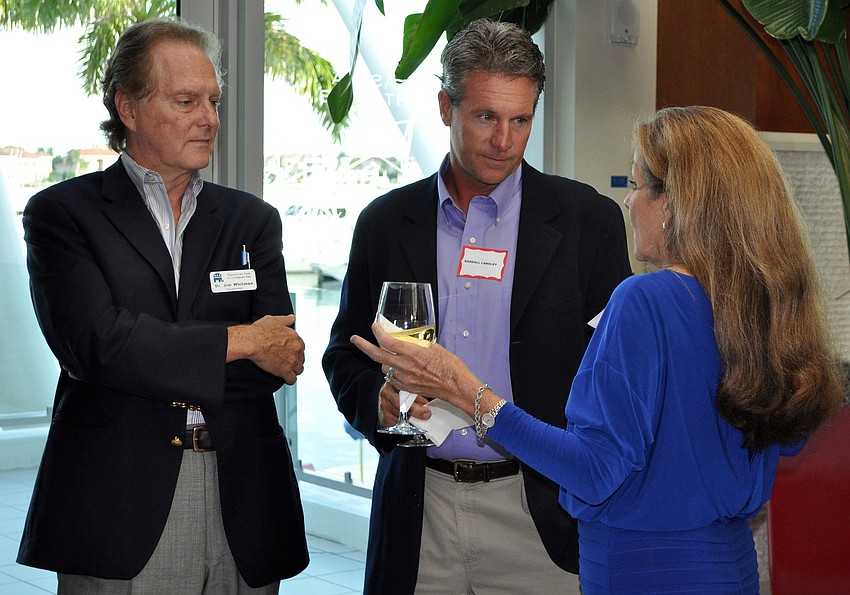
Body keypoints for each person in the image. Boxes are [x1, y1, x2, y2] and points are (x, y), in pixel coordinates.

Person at [351, 105, 847, 594]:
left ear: (674, 203)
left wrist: (462, 388)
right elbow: (785, 437)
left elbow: (594, 471)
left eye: (636, 186)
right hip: (728, 565)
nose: (628, 203)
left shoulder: (644, 300)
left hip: (644, 572)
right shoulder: (758, 301)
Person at [323, 18, 631, 595]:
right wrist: (380, 402)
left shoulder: (588, 222)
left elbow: (613, 377)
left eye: (521, 120)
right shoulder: (386, 224)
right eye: (486, 117)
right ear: (445, 106)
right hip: (421, 510)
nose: (504, 141)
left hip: (542, 515)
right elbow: (345, 354)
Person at [17, 18, 309, 593]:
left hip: (244, 497)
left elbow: (280, 362)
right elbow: (95, 345)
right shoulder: (63, 215)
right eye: (186, 100)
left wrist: (151, 355)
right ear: (128, 107)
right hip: (117, 501)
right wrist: (241, 340)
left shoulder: (253, 220)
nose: (210, 118)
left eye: (213, 100)